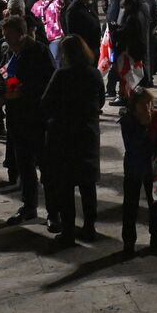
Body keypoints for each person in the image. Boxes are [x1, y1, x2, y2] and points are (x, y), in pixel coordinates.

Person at [41, 34, 107, 245]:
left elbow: (46, 104)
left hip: (63, 136)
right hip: (87, 134)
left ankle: (69, 231)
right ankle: (89, 227)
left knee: (66, 186)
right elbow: (101, 100)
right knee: (88, 186)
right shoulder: (94, 74)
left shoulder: (61, 75)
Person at [0, 13, 55, 224]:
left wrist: (24, 91)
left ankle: (53, 211)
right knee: (24, 167)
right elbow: (3, 76)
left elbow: (50, 83)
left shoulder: (39, 52)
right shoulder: (10, 54)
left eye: (9, 36)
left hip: (36, 119)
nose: (5, 40)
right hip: (16, 118)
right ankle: (29, 206)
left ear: (22, 35)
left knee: (46, 168)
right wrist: (3, 93)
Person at [118, 88, 157, 257]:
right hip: (134, 167)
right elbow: (132, 145)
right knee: (130, 204)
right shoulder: (128, 121)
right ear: (135, 106)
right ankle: (129, 241)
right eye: (143, 104)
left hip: (153, 167)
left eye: (149, 103)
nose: (147, 107)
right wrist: (144, 128)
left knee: (155, 203)